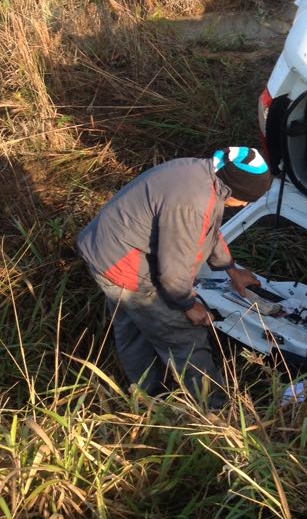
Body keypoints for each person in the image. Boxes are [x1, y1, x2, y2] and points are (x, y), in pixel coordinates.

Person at [77, 146, 272, 405]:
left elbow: (207, 231)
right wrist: (188, 305)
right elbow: (174, 270)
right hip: (125, 265)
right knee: (185, 337)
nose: (246, 205)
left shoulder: (201, 173)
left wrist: (230, 268)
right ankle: (216, 409)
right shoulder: (194, 202)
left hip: (106, 250)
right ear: (234, 187)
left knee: (134, 328)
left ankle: (149, 397)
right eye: (246, 198)